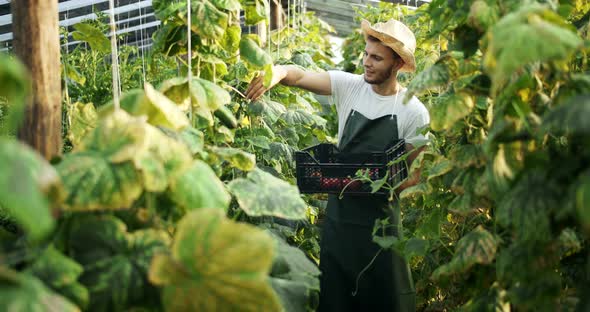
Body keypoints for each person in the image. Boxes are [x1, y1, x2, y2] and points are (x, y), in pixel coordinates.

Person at [246, 18, 429, 312]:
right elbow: (300, 76)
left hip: (381, 225)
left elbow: (414, 174)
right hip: (340, 218)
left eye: (376, 58)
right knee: (336, 297)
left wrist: (378, 181)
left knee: (384, 297)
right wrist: (277, 72)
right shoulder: (350, 87)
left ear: (397, 64)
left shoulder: (413, 112)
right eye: (366, 54)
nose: (367, 63)